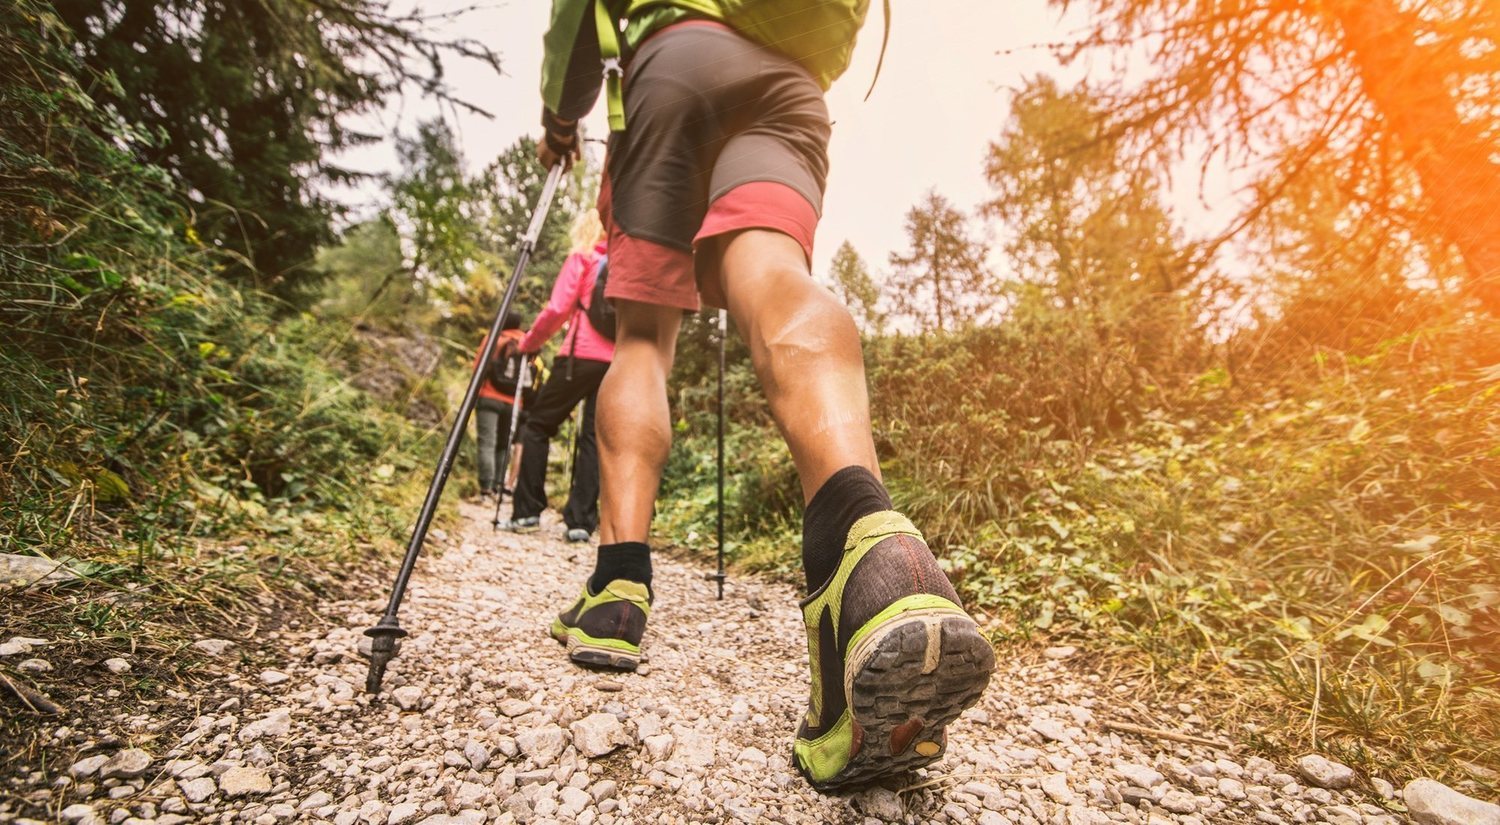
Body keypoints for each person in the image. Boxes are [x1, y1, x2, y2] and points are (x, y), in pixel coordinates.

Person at [534, 0, 996, 791]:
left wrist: (559, 113)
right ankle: (873, 548)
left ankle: (616, 587)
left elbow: (578, 15)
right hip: (787, 80)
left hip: (674, 65)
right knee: (777, 276)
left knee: (643, 337)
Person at [504, 209, 614, 542]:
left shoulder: (582, 259)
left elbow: (556, 309)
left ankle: (527, 512)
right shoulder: (622, 264)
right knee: (594, 438)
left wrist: (528, 344)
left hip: (578, 357)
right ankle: (581, 522)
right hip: (616, 361)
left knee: (538, 425)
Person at [472, 312, 527, 504]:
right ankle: (497, 486)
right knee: (504, 445)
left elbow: (479, 366)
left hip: (489, 396)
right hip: (514, 403)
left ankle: (486, 489)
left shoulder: (494, 338)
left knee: (487, 442)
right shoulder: (526, 342)